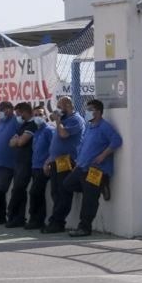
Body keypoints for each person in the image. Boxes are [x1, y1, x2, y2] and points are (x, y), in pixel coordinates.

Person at [43, 99, 122, 238]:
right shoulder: (90, 127)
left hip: (96, 169)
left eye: (90, 109)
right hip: (82, 166)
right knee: (67, 184)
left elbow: (117, 140)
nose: (87, 112)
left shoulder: (104, 126)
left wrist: (103, 155)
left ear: (98, 112)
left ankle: (84, 227)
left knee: (89, 199)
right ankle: (99, 186)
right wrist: (78, 163)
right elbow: (82, 147)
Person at [42, 96, 85, 233]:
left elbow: (64, 135)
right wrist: (48, 160)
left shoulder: (75, 120)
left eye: (60, 107)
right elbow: (57, 144)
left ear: (68, 106)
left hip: (67, 161)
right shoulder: (63, 121)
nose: (58, 110)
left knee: (63, 192)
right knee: (55, 192)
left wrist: (58, 120)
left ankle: (58, 221)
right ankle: (55, 221)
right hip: (56, 161)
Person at [4, 102, 40, 228]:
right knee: (18, 190)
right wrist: (17, 140)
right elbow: (11, 142)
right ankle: (18, 217)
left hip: (27, 161)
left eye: (18, 113)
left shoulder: (32, 124)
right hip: (19, 162)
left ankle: (14, 214)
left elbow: (20, 142)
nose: (17, 116)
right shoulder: (23, 125)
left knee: (19, 189)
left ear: (24, 112)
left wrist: (17, 140)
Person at [26, 106, 54, 230]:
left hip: (44, 167)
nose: (38, 117)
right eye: (35, 114)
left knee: (34, 192)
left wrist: (47, 163)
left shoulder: (49, 130)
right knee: (39, 194)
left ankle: (35, 218)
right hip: (35, 166)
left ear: (45, 116)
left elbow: (53, 149)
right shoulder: (36, 132)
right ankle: (38, 220)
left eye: (40, 114)